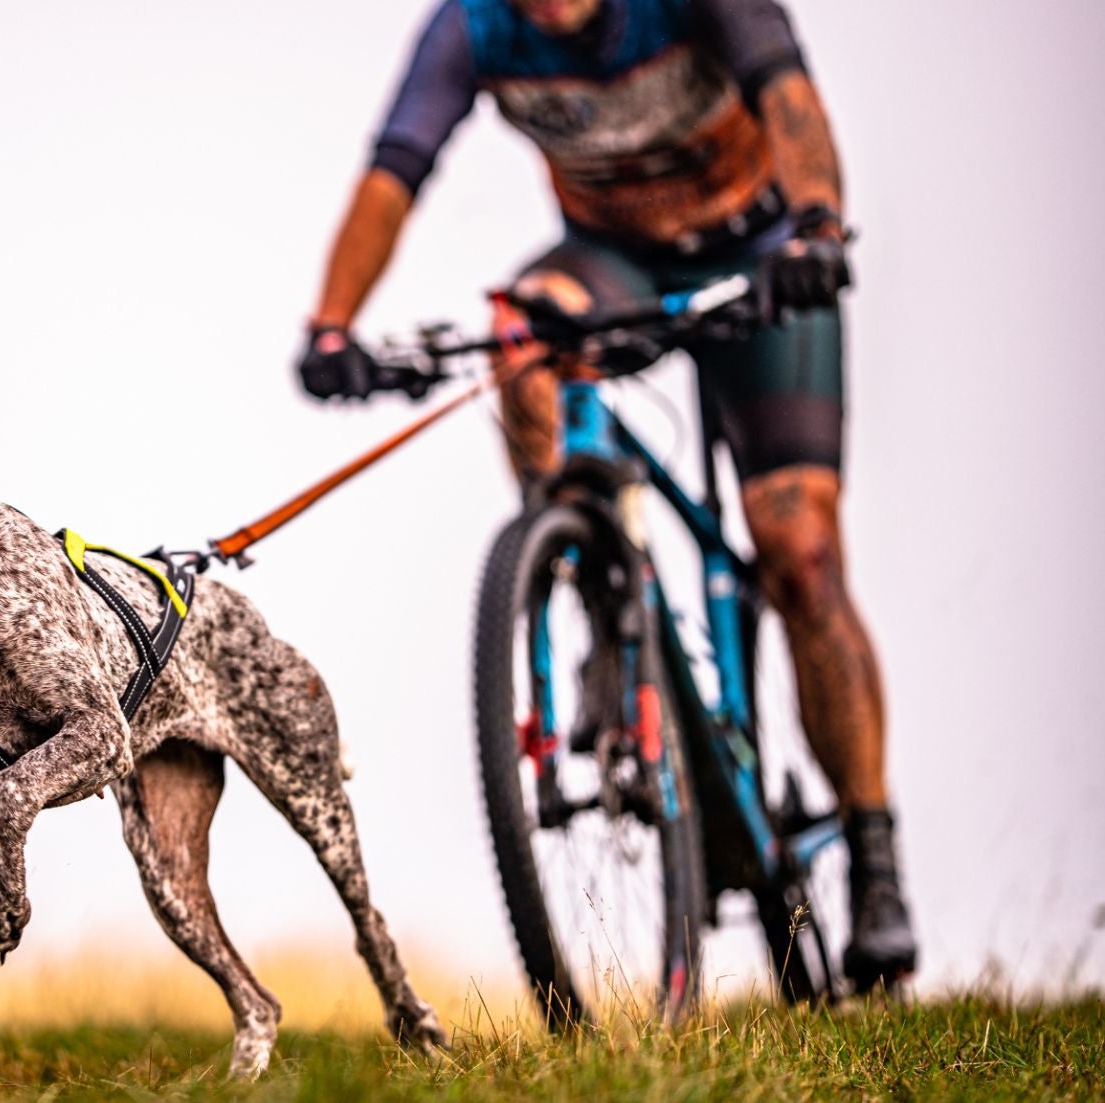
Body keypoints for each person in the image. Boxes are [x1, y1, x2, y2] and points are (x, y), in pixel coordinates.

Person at [298, 0, 915, 989]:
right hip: (614, 260)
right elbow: (393, 171)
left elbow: (789, 100)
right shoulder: (473, 27)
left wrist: (816, 229)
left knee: (796, 550)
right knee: (521, 335)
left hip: (758, 249)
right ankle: (587, 580)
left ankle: (873, 850)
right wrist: (332, 326)